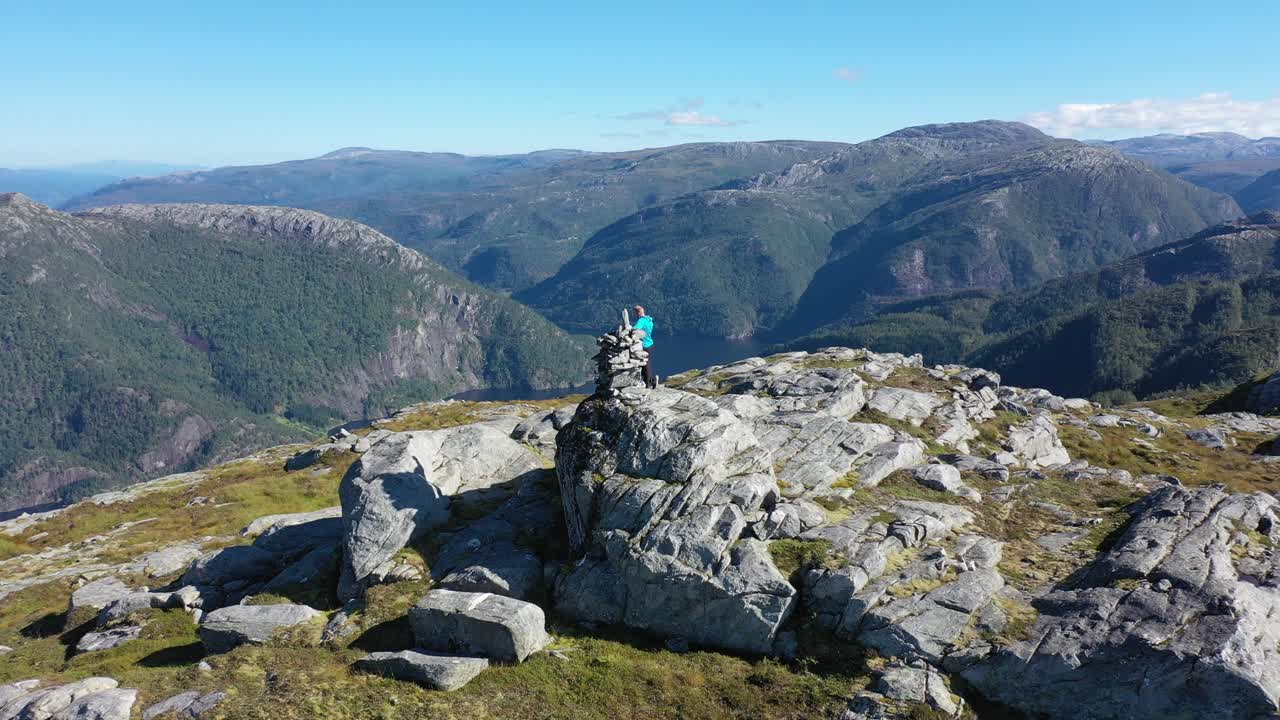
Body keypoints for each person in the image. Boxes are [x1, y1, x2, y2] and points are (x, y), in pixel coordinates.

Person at [633, 305, 658, 389]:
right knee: (648, 364)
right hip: (650, 344)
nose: (635, 315)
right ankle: (652, 381)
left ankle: (648, 384)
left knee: (645, 366)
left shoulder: (642, 320)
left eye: (635, 313)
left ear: (638, 312)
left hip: (644, 346)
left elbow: (635, 329)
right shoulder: (649, 320)